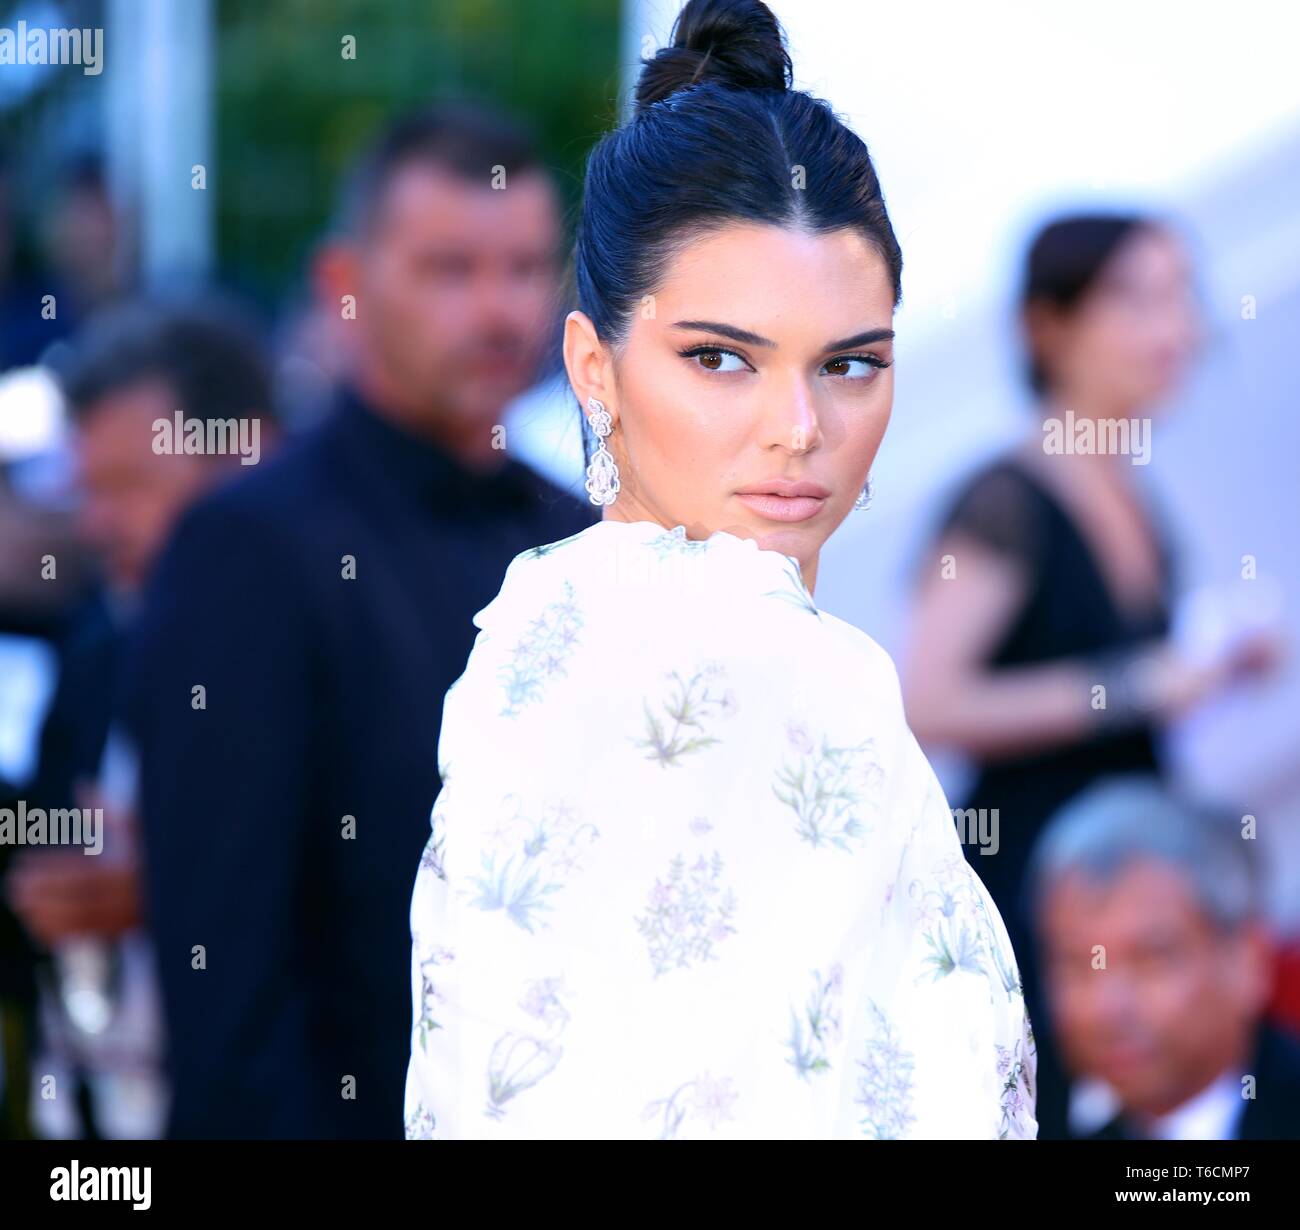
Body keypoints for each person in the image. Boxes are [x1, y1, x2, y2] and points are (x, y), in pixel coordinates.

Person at [404, 0, 1037, 1140]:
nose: (799, 426)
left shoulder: (536, 624)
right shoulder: (788, 671)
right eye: (718, 360)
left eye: (849, 364)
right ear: (592, 366)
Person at [124, 102, 595, 1138]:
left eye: (524, 268)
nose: (499, 310)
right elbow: (226, 983)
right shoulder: (245, 551)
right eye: (449, 269)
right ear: (346, 289)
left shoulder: (586, 544)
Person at [899, 212, 1277, 1136]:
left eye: (1182, 296)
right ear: (1048, 325)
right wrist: (1139, 683)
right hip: (1038, 883)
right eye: (1137, 298)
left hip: (1134, 866)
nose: (1176, 327)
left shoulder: (1131, 489)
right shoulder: (1008, 498)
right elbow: (923, 698)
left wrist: (1208, 674)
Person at [4, 299, 279, 1138]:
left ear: (248, 453)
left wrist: (162, 897)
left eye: (127, 486)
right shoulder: (97, 648)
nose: (94, 524)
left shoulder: (327, 651)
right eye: (86, 490)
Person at [1028, 775, 1300, 1140]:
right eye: (1076, 965)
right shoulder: (1015, 1121)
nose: (1108, 1009)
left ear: (1247, 960)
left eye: (1152, 960)